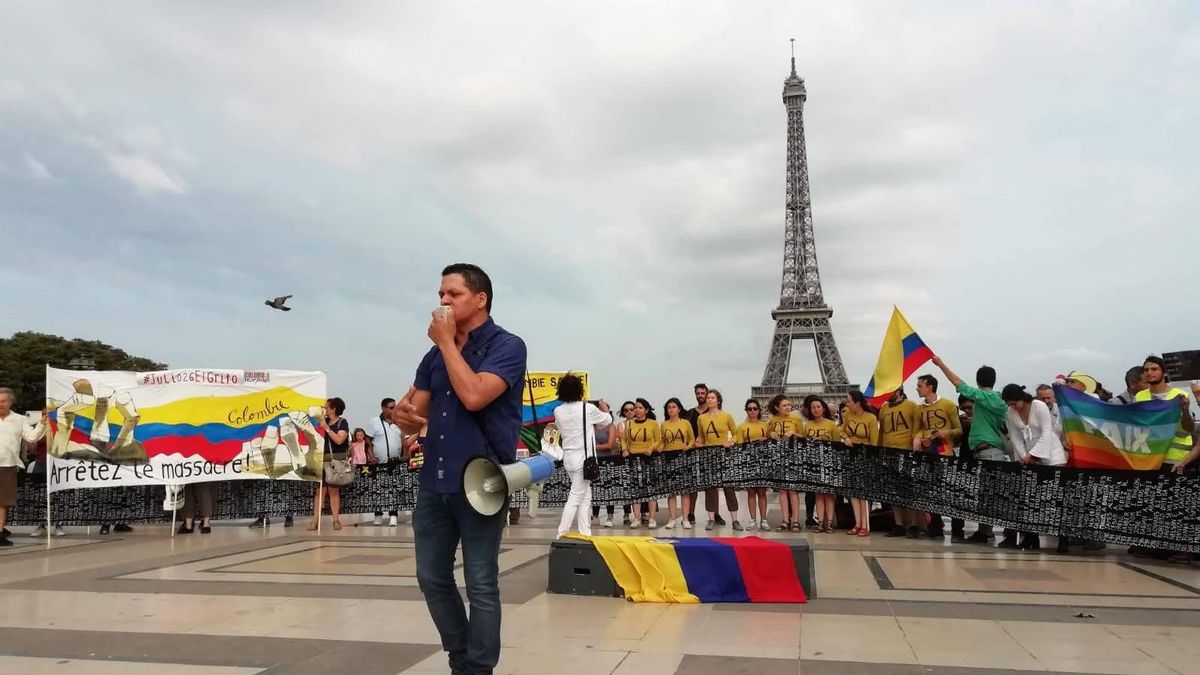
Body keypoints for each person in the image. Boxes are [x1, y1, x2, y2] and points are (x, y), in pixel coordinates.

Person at [392, 263, 527, 675]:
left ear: (480, 298)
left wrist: (448, 344)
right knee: (431, 577)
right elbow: (413, 409)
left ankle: (477, 668)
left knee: (482, 581)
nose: (443, 302)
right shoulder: (435, 354)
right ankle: (461, 656)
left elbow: (473, 396)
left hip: (483, 479)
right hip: (435, 480)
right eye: (440, 296)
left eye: (453, 294)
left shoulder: (507, 346)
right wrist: (404, 416)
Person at [931, 356, 1008, 545]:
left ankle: (985, 532)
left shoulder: (985, 397)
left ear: (979, 382)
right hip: (989, 451)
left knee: (986, 495)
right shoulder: (995, 400)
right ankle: (985, 531)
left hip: (987, 452)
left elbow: (959, 383)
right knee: (986, 494)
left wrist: (941, 364)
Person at [1001, 384, 1068, 551]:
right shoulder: (1010, 412)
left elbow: (1047, 432)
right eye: (1009, 403)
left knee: (1055, 497)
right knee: (1030, 497)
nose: (1012, 406)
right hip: (1029, 454)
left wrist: (1035, 454)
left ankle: (1063, 538)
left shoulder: (1039, 406)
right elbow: (1015, 436)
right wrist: (1024, 455)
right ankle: (1031, 537)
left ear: (1022, 398)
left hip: (1051, 451)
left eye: (1014, 403)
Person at [552, 374, 612, 539]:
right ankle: (561, 533)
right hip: (584, 460)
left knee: (586, 496)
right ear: (580, 390)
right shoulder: (588, 409)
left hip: (569, 459)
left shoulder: (558, 411)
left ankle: (585, 532)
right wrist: (604, 408)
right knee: (576, 496)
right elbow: (607, 420)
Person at [914, 374, 963, 538]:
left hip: (945, 452)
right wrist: (918, 438)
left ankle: (957, 529)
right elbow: (919, 428)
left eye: (920, 385)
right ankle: (936, 526)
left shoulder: (948, 405)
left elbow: (958, 430)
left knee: (951, 492)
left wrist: (944, 433)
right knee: (931, 491)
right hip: (929, 453)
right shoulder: (919, 409)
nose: (917, 388)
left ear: (930, 387)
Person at [0, 389, 46, 547]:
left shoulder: (19, 420)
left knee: (2, 502)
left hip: (8, 465)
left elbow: (32, 437)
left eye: (3, 401)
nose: (0, 404)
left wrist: (43, 423)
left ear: (10, 402)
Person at [1136, 356, 1194, 468]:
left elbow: (1189, 428)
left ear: (1165, 373)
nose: (1149, 372)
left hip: (1176, 460)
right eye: (1146, 370)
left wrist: (1185, 411)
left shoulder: (1180, 395)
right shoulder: (1139, 397)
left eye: (1154, 369)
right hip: (1149, 458)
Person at [694, 389, 740, 530]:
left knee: (728, 486)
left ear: (718, 401)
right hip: (708, 453)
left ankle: (735, 520)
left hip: (724, 452)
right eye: (708, 398)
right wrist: (697, 442)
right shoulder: (701, 418)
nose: (709, 400)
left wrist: (731, 442)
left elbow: (737, 434)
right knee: (710, 487)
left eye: (712, 398)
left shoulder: (727, 416)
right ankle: (711, 519)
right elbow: (701, 436)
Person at [878, 388, 920, 537]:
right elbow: (882, 432)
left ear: (898, 391)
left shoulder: (912, 406)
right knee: (894, 491)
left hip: (907, 453)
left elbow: (918, 429)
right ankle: (899, 524)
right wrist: (880, 451)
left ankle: (914, 524)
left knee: (909, 490)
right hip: (890, 453)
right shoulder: (883, 409)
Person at [840, 390, 878, 536]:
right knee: (854, 492)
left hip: (865, 456)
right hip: (851, 455)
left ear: (857, 402)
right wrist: (846, 439)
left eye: (849, 401)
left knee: (864, 494)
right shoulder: (848, 415)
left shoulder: (871, 418)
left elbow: (874, 442)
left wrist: (871, 460)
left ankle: (865, 525)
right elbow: (842, 432)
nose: (847, 403)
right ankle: (857, 523)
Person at [310, 397, 349, 531]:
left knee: (333, 491)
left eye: (326, 407)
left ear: (333, 409)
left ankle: (336, 520)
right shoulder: (322, 422)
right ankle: (315, 521)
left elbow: (339, 440)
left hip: (335, 461)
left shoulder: (342, 423)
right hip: (321, 461)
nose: (324, 409)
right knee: (319, 492)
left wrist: (327, 428)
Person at [802, 395, 839, 533]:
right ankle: (821, 523)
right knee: (818, 494)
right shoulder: (808, 425)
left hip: (828, 462)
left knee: (828, 494)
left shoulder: (831, 425)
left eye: (818, 407)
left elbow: (836, 445)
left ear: (823, 408)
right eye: (813, 407)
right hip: (813, 463)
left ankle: (828, 523)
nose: (815, 409)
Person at [767, 394, 804, 532]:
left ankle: (795, 521)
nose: (788, 407)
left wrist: (793, 433)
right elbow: (767, 434)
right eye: (785, 405)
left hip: (793, 456)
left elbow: (803, 436)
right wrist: (771, 435)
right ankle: (785, 520)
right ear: (777, 407)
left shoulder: (796, 418)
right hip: (779, 457)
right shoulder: (773, 420)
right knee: (782, 489)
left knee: (792, 489)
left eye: (789, 405)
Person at [623, 399, 661, 528]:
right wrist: (624, 449)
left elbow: (658, 440)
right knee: (636, 489)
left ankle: (651, 518)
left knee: (650, 488)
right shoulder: (629, 424)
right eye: (635, 408)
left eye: (640, 407)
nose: (637, 410)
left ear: (646, 410)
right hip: (634, 458)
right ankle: (637, 518)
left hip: (649, 458)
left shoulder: (653, 424)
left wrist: (652, 447)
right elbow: (624, 440)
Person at [366, 397, 403, 526]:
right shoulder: (374, 422)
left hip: (395, 461)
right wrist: (371, 455)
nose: (394, 410)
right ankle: (378, 514)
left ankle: (393, 515)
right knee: (378, 489)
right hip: (379, 462)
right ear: (383, 408)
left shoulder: (399, 422)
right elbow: (368, 441)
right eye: (391, 408)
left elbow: (404, 439)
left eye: (395, 407)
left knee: (394, 488)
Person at [659, 397, 695, 529]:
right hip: (668, 457)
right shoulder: (664, 424)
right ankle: (672, 518)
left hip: (683, 456)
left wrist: (688, 446)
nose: (671, 409)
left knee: (684, 490)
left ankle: (685, 519)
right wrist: (659, 447)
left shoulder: (686, 423)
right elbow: (662, 441)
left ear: (679, 409)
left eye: (674, 407)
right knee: (671, 491)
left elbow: (692, 440)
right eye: (669, 407)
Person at [737, 398, 770, 531]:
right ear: (746, 410)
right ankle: (752, 519)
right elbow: (739, 444)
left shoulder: (766, 425)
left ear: (759, 410)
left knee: (762, 492)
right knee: (751, 492)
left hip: (762, 460)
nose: (752, 411)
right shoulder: (741, 427)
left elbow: (771, 442)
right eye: (749, 409)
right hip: (749, 461)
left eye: (755, 409)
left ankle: (763, 520)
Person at [591, 403, 626, 528]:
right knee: (596, 488)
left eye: (601, 410)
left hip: (608, 459)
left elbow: (610, 444)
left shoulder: (611, 426)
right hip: (595, 460)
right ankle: (595, 515)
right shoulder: (591, 425)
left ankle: (610, 515)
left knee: (608, 488)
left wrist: (593, 447)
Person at [683, 383, 708, 525]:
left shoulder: (713, 413)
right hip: (693, 451)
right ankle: (691, 513)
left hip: (709, 450)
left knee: (712, 485)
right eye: (698, 393)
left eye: (702, 393)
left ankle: (714, 513)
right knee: (692, 484)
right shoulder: (690, 413)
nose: (700, 396)